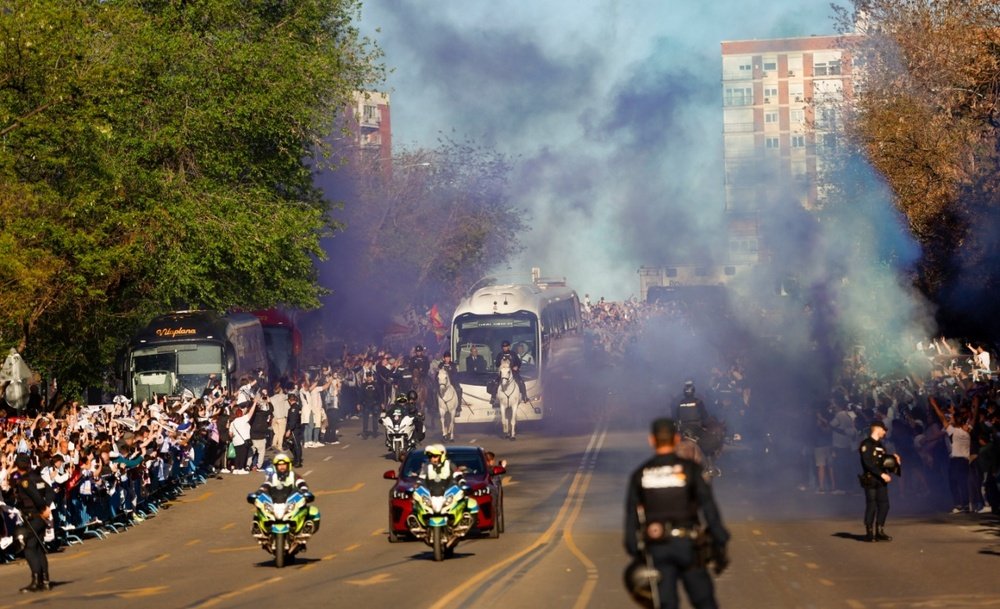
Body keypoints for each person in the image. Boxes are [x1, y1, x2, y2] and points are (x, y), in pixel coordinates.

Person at [624, 418, 729, 609]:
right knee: (704, 601)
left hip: (658, 547)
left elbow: (632, 518)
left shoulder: (640, 474)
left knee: (666, 603)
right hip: (688, 546)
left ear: (652, 440)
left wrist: (636, 551)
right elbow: (709, 508)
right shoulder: (691, 470)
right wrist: (720, 540)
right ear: (676, 439)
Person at [9, 453, 55, 593]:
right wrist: (47, 506)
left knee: (29, 547)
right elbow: (50, 491)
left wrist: (43, 508)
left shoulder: (25, 481)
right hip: (41, 516)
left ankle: (36, 580)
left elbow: (35, 496)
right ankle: (45, 580)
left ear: (17, 466)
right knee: (38, 548)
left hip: (34, 516)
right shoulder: (37, 477)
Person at [247, 453, 319, 534]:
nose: (282, 467)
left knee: (312, 512)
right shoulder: (273, 477)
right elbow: (265, 486)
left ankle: (303, 528)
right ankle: (260, 529)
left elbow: (302, 484)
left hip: (292, 502)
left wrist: (304, 491)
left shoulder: (294, 475)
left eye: (284, 465)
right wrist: (259, 492)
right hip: (275, 502)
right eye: (279, 465)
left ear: (288, 465)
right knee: (258, 512)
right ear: (275, 466)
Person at [858, 420, 898, 542]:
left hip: (881, 480)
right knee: (872, 505)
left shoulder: (881, 445)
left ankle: (880, 530)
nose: (885, 432)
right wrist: (881, 474)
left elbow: (883, 462)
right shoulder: (866, 444)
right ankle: (869, 532)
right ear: (877, 429)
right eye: (883, 429)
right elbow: (868, 463)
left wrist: (895, 461)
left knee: (884, 505)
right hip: (871, 479)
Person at [492, 340, 529, 405]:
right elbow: (497, 364)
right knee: (495, 382)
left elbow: (519, 362)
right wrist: (500, 363)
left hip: (513, 372)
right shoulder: (500, 355)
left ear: (509, 346)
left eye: (506, 346)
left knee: (521, 381)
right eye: (503, 347)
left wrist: (516, 366)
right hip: (503, 373)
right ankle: (493, 398)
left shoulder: (513, 354)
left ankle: (524, 396)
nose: (505, 348)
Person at [284, 393, 304, 468]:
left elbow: (293, 420)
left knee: (296, 445)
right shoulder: (297, 407)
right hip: (296, 428)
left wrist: (289, 430)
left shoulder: (293, 409)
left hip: (294, 429)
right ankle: (296, 459)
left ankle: (298, 461)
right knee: (292, 444)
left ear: (289, 400)